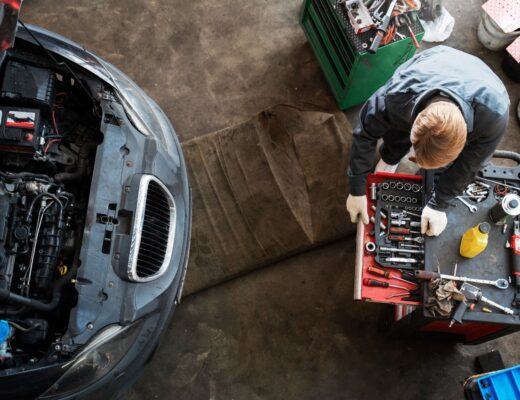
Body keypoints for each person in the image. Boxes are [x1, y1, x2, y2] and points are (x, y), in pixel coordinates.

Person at [346, 46, 510, 236]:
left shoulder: (494, 117)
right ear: (415, 121)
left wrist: (439, 204)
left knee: (466, 166)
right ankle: (391, 157)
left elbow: (469, 165)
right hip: (435, 62)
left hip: (483, 83)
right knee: (396, 133)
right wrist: (357, 188)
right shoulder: (395, 96)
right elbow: (365, 133)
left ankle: (401, 158)